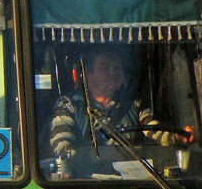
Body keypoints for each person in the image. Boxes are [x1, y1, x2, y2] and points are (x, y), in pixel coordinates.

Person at [49, 44, 192, 163]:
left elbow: (152, 129)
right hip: (87, 180)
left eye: (117, 67)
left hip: (129, 178)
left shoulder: (133, 102)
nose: (113, 72)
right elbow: (62, 143)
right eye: (105, 67)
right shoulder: (69, 104)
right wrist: (81, 162)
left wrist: (177, 137)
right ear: (88, 74)